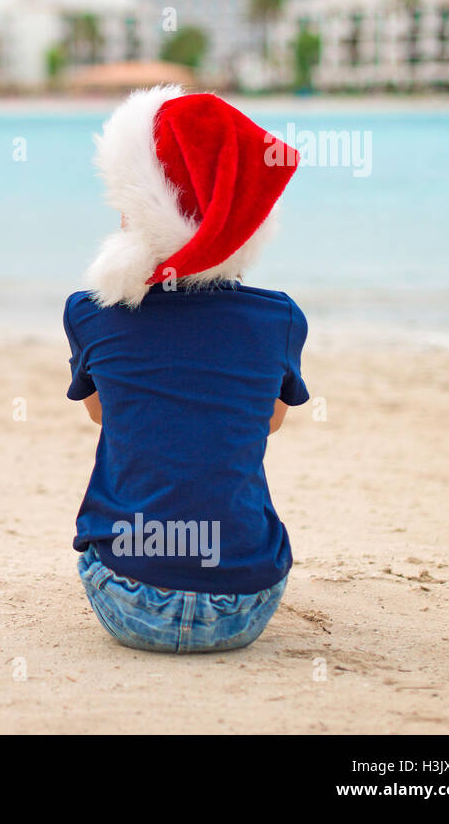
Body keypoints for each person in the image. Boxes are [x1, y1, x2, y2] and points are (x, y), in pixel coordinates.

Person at [65, 85, 309, 653]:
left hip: (125, 598)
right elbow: (267, 421)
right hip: (244, 603)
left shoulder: (92, 312)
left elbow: (105, 413)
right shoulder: (278, 319)